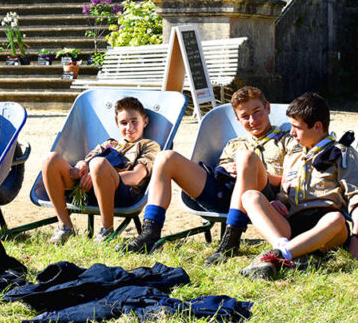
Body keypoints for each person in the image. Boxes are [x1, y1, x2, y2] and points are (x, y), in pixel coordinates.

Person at [121, 86, 298, 261]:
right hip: (223, 193)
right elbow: (220, 169)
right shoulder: (234, 143)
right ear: (237, 119)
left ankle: (231, 239)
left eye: (257, 112)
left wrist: (250, 168)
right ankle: (149, 233)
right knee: (166, 157)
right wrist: (227, 168)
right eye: (245, 116)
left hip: (260, 195)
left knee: (246, 157)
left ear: (267, 108)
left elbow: (293, 177)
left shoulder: (287, 140)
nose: (252, 120)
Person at [239, 92, 358, 280]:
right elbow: (285, 193)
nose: (291, 132)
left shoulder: (342, 153)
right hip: (292, 224)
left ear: (317, 126)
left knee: (336, 219)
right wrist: (278, 203)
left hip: (326, 229)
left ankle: (277, 257)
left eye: (297, 127)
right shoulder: (293, 155)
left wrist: (355, 245)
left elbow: (356, 200)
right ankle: (288, 250)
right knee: (250, 197)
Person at [41, 96, 160, 245]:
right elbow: (87, 160)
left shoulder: (148, 145)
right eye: (123, 123)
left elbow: (137, 176)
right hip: (89, 188)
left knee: (98, 164)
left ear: (145, 121)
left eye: (134, 121)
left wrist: (99, 175)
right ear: (117, 124)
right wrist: (80, 166)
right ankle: (65, 226)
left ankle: (106, 230)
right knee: (50, 159)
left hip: (121, 191)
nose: (129, 128)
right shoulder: (110, 143)